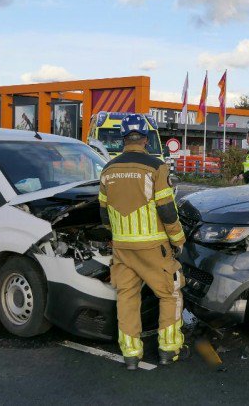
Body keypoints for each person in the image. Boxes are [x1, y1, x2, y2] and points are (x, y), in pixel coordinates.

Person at [98, 113, 187, 370]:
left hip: (122, 248)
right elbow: (167, 209)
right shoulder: (156, 167)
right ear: (146, 139)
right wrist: (178, 239)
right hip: (153, 248)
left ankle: (131, 355)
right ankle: (168, 350)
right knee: (170, 293)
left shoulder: (108, 169)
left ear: (123, 139)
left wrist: (117, 236)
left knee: (127, 297)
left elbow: (103, 213)